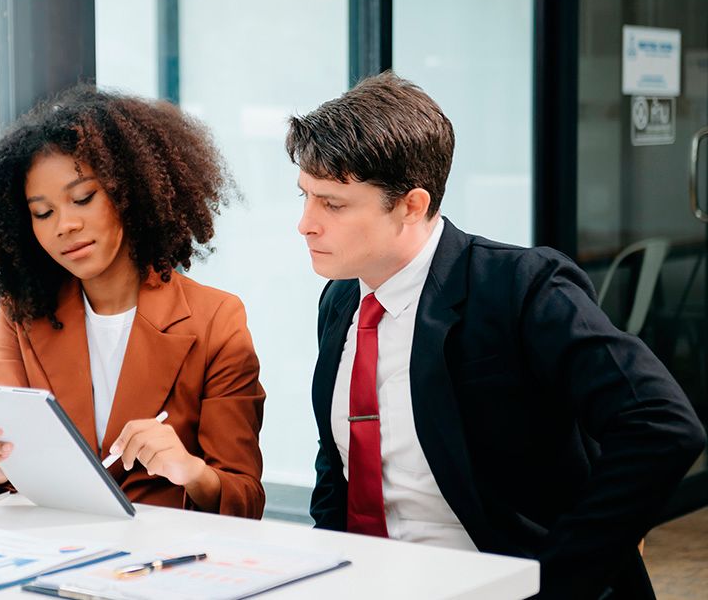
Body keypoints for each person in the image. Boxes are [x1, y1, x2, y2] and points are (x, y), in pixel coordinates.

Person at [287, 71, 706, 598]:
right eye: (304, 196)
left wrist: (553, 581)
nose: (304, 223)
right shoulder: (343, 298)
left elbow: (662, 426)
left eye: (332, 204)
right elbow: (338, 462)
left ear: (411, 205)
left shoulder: (520, 288)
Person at [0, 85, 265, 518]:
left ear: (129, 192)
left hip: (162, 565)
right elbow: (1, 467)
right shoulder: (22, 316)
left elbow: (245, 499)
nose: (66, 225)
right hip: (54, 555)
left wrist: (189, 470)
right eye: (43, 213)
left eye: (83, 198)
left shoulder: (216, 320)